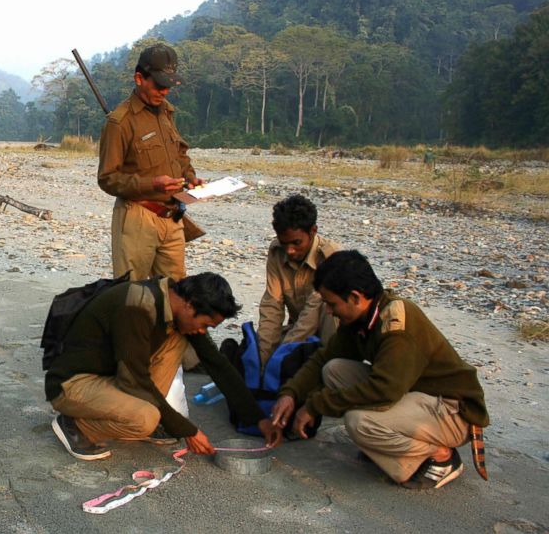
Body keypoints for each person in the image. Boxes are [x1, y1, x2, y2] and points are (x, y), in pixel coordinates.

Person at [270, 250, 489, 490]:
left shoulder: (397, 326)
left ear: (355, 297)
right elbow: (324, 358)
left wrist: (314, 405)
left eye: (332, 304)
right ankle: (387, 444)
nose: (329, 312)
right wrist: (290, 393)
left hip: (453, 411)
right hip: (415, 393)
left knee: (359, 423)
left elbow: (384, 391)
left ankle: (440, 457)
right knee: (334, 370)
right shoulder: (360, 318)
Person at [45, 272, 281, 460]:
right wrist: (186, 429)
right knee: (145, 418)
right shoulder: (137, 307)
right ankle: (77, 425)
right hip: (73, 384)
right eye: (205, 325)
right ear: (190, 306)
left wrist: (257, 419)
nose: (202, 331)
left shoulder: (173, 304)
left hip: (109, 377)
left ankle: (153, 419)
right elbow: (135, 382)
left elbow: (217, 364)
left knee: (180, 338)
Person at [97, 43, 204, 282]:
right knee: (133, 295)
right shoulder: (119, 122)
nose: (164, 91)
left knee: (175, 295)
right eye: (158, 85)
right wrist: (151, 184)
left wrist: (190, 177)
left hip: (173, 217)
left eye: (168, 86)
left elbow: (179, 153)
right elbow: (107, 178)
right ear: (139, 78)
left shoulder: (166, 112)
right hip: (137, 218)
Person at [256, 194, 340, 365]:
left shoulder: (330, 256)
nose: (290, 251)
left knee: (326, 308)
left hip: (329, 332)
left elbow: (312, 312)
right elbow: (272, 306)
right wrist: (262, 359)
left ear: (313, 231)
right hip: (298, 330)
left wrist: (281, 356)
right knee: (257, 350)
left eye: (296, 243)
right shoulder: (276, 252)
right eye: (284, 243)